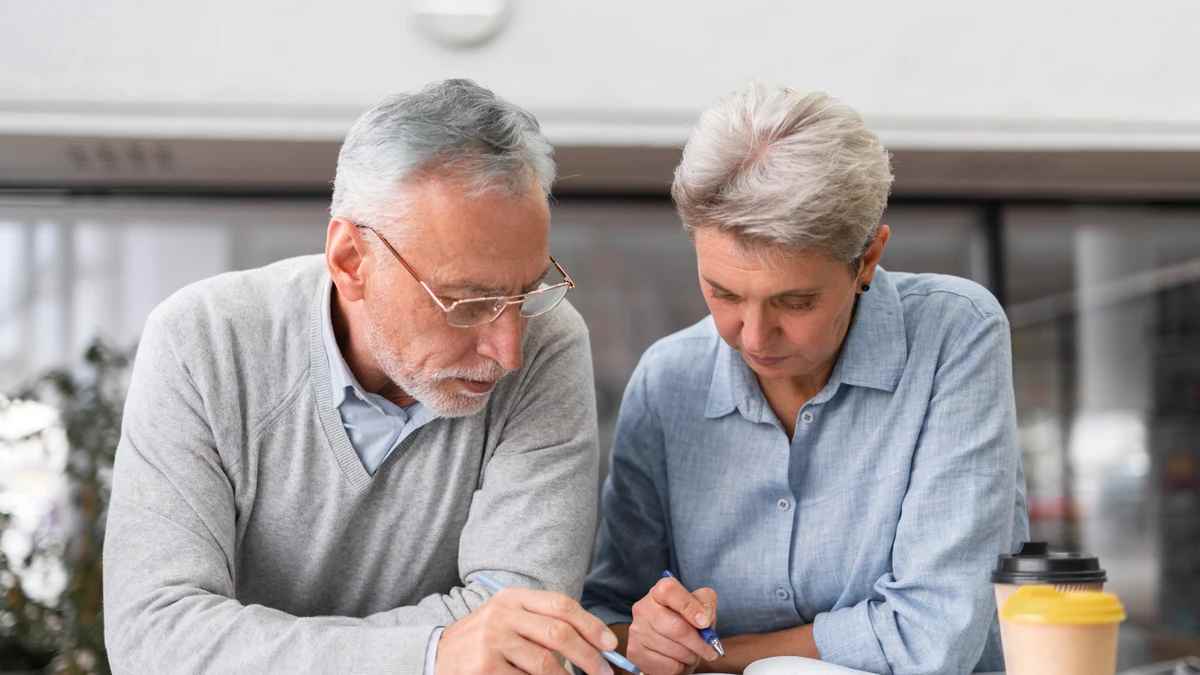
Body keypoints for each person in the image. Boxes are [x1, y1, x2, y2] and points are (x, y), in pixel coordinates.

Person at [103, 79, 619, 675]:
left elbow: (527, 633)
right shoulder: (202, 341)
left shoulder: (548, 341)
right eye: (467, 301)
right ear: (351, 261)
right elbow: (156, 639)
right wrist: (431, 654)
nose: (508, 352)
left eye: (525, 293)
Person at [583, 83, 1028, 675]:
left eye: (795, 303)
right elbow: (608, 618)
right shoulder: (668, 379)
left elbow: (932, 638)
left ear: (867, 259)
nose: (753, 337)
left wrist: (712, 659)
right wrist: (645, 636)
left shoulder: (955, 333)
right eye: (723, 293)